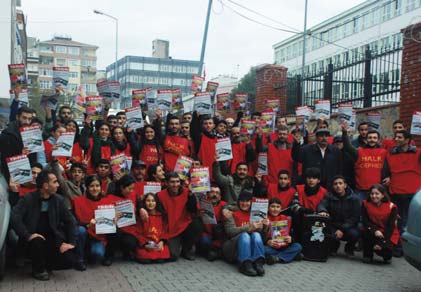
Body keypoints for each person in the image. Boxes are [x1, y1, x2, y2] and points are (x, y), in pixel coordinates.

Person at [10, 170, 78, 280]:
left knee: (69, 261)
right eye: (55, 182)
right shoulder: (28, 199)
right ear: (46, 186)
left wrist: (70, 242)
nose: (58, 185)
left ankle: (47, 264)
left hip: (53, 240)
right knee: (37, 242)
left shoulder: (58, 200)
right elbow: (14, 217)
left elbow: (71, 221)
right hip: (32, 241)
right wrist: (28, 235)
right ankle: (38, 270)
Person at [384, 130, 421, 257]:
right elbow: (386, 171)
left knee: (409, 223)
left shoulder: (418, 152)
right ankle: (399, 248)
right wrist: (387, 177)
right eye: (395, 136)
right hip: (396, 193)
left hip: (413, 194)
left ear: (407, 140)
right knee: (398, 222)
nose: (396, 139)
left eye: (399, 137)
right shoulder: (390, 154)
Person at [152, 172, 203, 260]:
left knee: (197, 224)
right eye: (172, 182)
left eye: (177, 182)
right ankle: (177, 245)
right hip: (170, 229)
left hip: (185, 225)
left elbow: (193, 210)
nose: (175, 185)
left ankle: (186, 250)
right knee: (173, 256)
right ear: (166, 183)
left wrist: (191, 195)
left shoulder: (187, 192)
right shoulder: (159, 196)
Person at [73, 175, 120, 269]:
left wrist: (115, 220)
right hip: (85, 234)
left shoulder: (108, 201)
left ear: (101, 187)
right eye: (91, 186)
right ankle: (80, 259)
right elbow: (74, 222)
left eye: (97, 186)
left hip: (98, 237)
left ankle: (103, 255)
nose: (95, 189)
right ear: (86, 187)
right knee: (80, 230)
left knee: (97, 254)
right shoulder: (78, 201)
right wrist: (87, 224)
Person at [223, 191, 265, 277]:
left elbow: (263, 237)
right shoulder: (231, 212)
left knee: (256, 235)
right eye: (242, 201)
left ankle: (258, 262)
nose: (245, 203)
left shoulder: (256, 213)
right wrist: (248, 227)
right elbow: (230, 232)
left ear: (251, 202)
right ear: (238, 201)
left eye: (247, 201)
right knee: (245, 235)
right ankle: (244, 264)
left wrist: (265, 227)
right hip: (232, 247)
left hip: (250, 247)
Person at [341, 124, 388, 201]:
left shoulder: (384, 152)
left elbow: (389, 167)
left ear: (378, 140)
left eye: (374, 138)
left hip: (377, 190)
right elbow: (347, 147)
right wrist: (345, 133)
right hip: (361, 190)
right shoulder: (359, 151)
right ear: (366, 140)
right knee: (359, 212)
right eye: (369, 138)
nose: (372, 140)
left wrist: (389, 177)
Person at [317, 176, 360, 256]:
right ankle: (334, 247)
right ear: (333, 186)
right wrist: (322, 210)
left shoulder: (355, 199)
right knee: (330, 235)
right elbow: (321, 204)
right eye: (335, 184)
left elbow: (354, 218)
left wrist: (342, 229)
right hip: (333, 225)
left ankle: (349, 248)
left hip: (349, 226)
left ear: (345, 185)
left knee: (355, 234)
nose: (338, 186)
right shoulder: (328, 196)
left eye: (340, 183)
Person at [361, 184, 400, 264]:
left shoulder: (392, 207)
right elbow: (365, 221)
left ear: (382, 195)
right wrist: (375, 230)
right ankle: (368, 255)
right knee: (365, 232)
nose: (374, 196)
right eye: (372, 194)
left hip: (388, 233)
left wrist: (382, 243)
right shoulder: (365, 204)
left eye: (377, 194)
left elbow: (391, 227)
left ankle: (387, 256)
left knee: (384, 250)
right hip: (373, 230)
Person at [290, 168, 327, 243]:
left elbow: (325, 207)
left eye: (314, 178)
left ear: (318, 180)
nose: (311, 180)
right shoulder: (298, 189)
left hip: (317, 220)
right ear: (306, 179)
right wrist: (305, 210)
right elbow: (294, 206)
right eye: (309, 178)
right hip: (301, 219)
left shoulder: (324, 192)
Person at [264, 198, 302, 264]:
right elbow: (261, 237)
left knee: (298, 246)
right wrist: (267, 241)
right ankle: (290, 256)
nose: (275, 209)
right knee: (262, 249)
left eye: (278, 207)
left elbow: (291, 235)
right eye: (272, 206)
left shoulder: (285, 218)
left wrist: (291, 239)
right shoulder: (264, 219)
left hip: (284, 246)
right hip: (271, 247)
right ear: (268, 208)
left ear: (281, 208)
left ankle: (277, 258)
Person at [135, 193, 170, 263]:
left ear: (156, 202)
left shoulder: (161, 215)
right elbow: (138, 233)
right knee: (145, 259)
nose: (150, 203)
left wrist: (162, 242)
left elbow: (165, 231)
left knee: (161, 259)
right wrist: (145, 245)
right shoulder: (142, 216)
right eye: (148, 201)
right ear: (144, 202)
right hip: (146, 243)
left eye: (153, 201)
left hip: (158, 243)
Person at [0, 106, 33, 181]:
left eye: (29, 119)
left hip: (28, 173)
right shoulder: (7, 134)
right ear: (17, 117)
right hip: (13, 176)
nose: (27, 122)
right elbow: (5, 160)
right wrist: (21, 154)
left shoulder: (31, 133)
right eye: (24, 118)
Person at [197, 184, 227, 261]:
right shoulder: (201, 204)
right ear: (207, 194)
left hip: (219, 236)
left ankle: (216, 251)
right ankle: (216, 251)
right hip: (207, 235)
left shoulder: (224, 205)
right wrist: (198, 214)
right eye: (212, 192)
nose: (214, 195)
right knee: (204, 241)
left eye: (217, 193)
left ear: (220, 196)